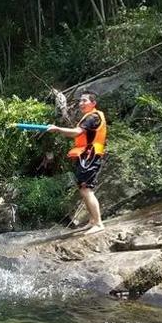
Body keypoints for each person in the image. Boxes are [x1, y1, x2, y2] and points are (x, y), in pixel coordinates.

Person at [47, 90, 107, 235]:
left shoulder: (92, 117)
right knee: (83, 188)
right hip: (85, 156)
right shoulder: (89, 117)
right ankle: (93, 221)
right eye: (80, 100)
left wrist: (57, 129)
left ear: (93, 103)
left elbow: (76, 132)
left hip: (90, 155)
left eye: (84, 101)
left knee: (87, 189)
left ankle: (98, 223)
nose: (81, 103)